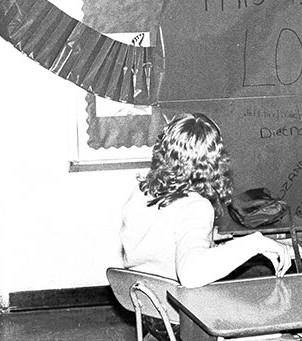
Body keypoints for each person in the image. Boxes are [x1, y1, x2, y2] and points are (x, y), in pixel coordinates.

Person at [120, 112, 292, 289]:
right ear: (213, 160)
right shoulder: (196, 206)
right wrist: (255, 242)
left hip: (143, 301)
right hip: (175, 305)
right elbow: (190, 275)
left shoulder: (143, 190)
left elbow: (161, 237)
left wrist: (210, 235)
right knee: (259, 293)